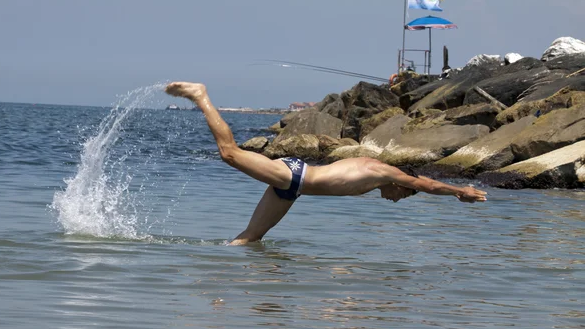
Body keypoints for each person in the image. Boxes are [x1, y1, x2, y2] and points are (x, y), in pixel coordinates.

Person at [165, 82, 488, 245]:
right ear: (399, 184)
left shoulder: (375, 171)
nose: (394, 199)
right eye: (401, 195)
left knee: (250, 239)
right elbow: (425, 184)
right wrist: (460, 191)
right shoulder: (384, 172)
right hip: (293, 174)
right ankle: (200, 95)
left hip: (292, 188)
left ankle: (228, 278)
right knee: (229, 153)